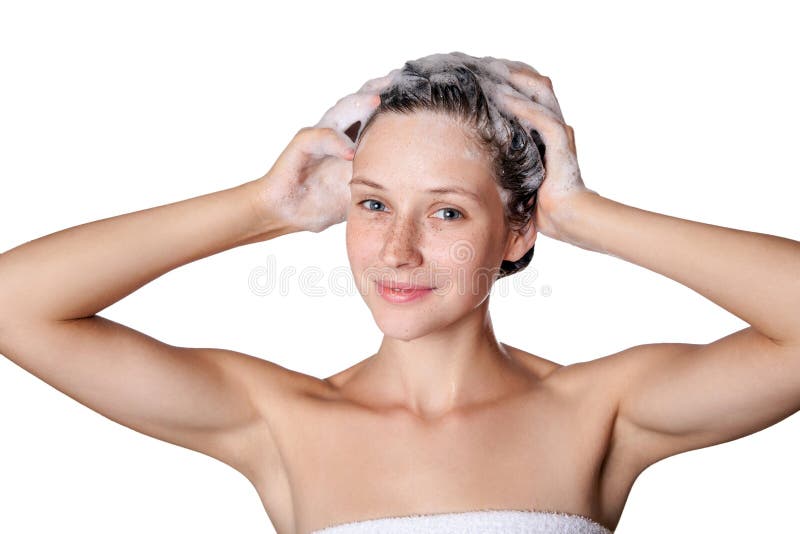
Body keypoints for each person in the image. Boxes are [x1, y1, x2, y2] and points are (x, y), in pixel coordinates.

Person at [0, 51, 798, 534]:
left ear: (517, 230)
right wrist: (259, 209)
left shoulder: (598, 412)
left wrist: (586, 216)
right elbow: (15, 303)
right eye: (373, 203)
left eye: (446, 211)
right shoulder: (280, 421)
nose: (397, 250)